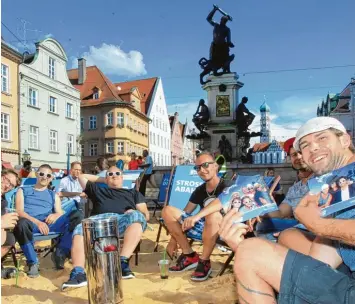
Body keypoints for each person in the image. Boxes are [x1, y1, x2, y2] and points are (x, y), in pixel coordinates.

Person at [219, 117, 355, 303]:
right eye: (305, 145)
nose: (312, 148)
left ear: (345, 140)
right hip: (344, 283)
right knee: (254, 249)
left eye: (322, 138)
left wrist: (317, 224)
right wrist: (244, 251)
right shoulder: (329, 189)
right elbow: (320, 264)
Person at [61, 166, 149, 290]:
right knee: (80, 227)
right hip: (98, 221)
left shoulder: (133, 193)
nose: (114, 175)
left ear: (122, 177)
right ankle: (79, 273)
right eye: (110, 174)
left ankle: (121, 262)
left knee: (137, 216)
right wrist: (105, 180)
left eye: (117, 173)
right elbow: (81, 176)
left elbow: (145, 214)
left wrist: (133, 211)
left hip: (121, 219)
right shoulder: (97, 190)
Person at [161, 152, 232, 281]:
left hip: (224, 230)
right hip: (204, 229)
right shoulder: (199, 190)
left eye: (205, 165)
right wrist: (173, 241)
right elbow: (185, 213)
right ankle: (189, 255)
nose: (201, 170)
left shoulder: (227, 186)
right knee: (168, 211)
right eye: (198, 168)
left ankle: (204, 262)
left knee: (213, 215)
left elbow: (221, 204)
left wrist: (195, 217)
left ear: (215, 166)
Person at [13, 164, 81, 277]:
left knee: (77, 216)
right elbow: (19, 211)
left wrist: (56, 214)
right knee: (21, 224)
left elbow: (59, 211)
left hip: (50, 223)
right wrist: (37, 222)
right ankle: (33, 262)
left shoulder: (53, 194)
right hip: (31, 223)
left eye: (48, 175)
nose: (44, 177)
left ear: (51, 178)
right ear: (36, 174)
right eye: (41, 174)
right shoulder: (23, 190)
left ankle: (61, 251)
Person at [255, 137, 313, 240]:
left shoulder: (321, 179)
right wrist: (259, 212)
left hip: (315, 228)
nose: (298, 157)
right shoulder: (295, 189)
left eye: (301, 152)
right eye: (294, 155)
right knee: (261, 224)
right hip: (298, 227)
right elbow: (280, 213)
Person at [1, 169, 21, 279]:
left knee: (10, 239)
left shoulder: (3, 199)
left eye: (11, 185)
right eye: (6, 180)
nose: (7, 185)